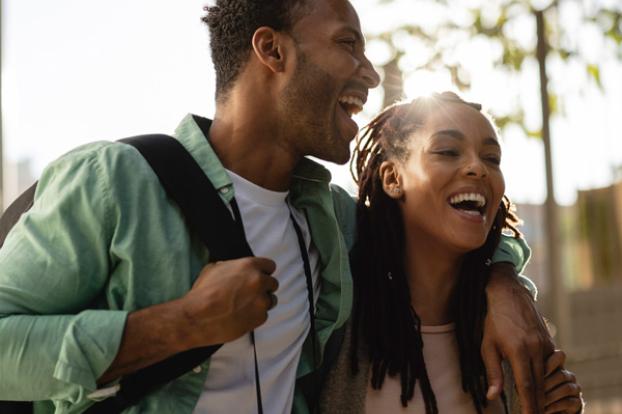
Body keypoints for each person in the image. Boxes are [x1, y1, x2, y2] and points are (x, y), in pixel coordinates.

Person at [0, 1, 551, 413]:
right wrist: (180, 325)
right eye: (347, 45)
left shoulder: (330, 221)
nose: (370, 72)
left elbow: (443, 230)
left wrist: (503, 285)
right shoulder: (115, 181)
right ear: (273, 51)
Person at [319, 92, 583, 413]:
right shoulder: (335, 312)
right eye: (447, 151)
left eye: (492, 158)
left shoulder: (514, 334)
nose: (477, 168)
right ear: (392, 178)